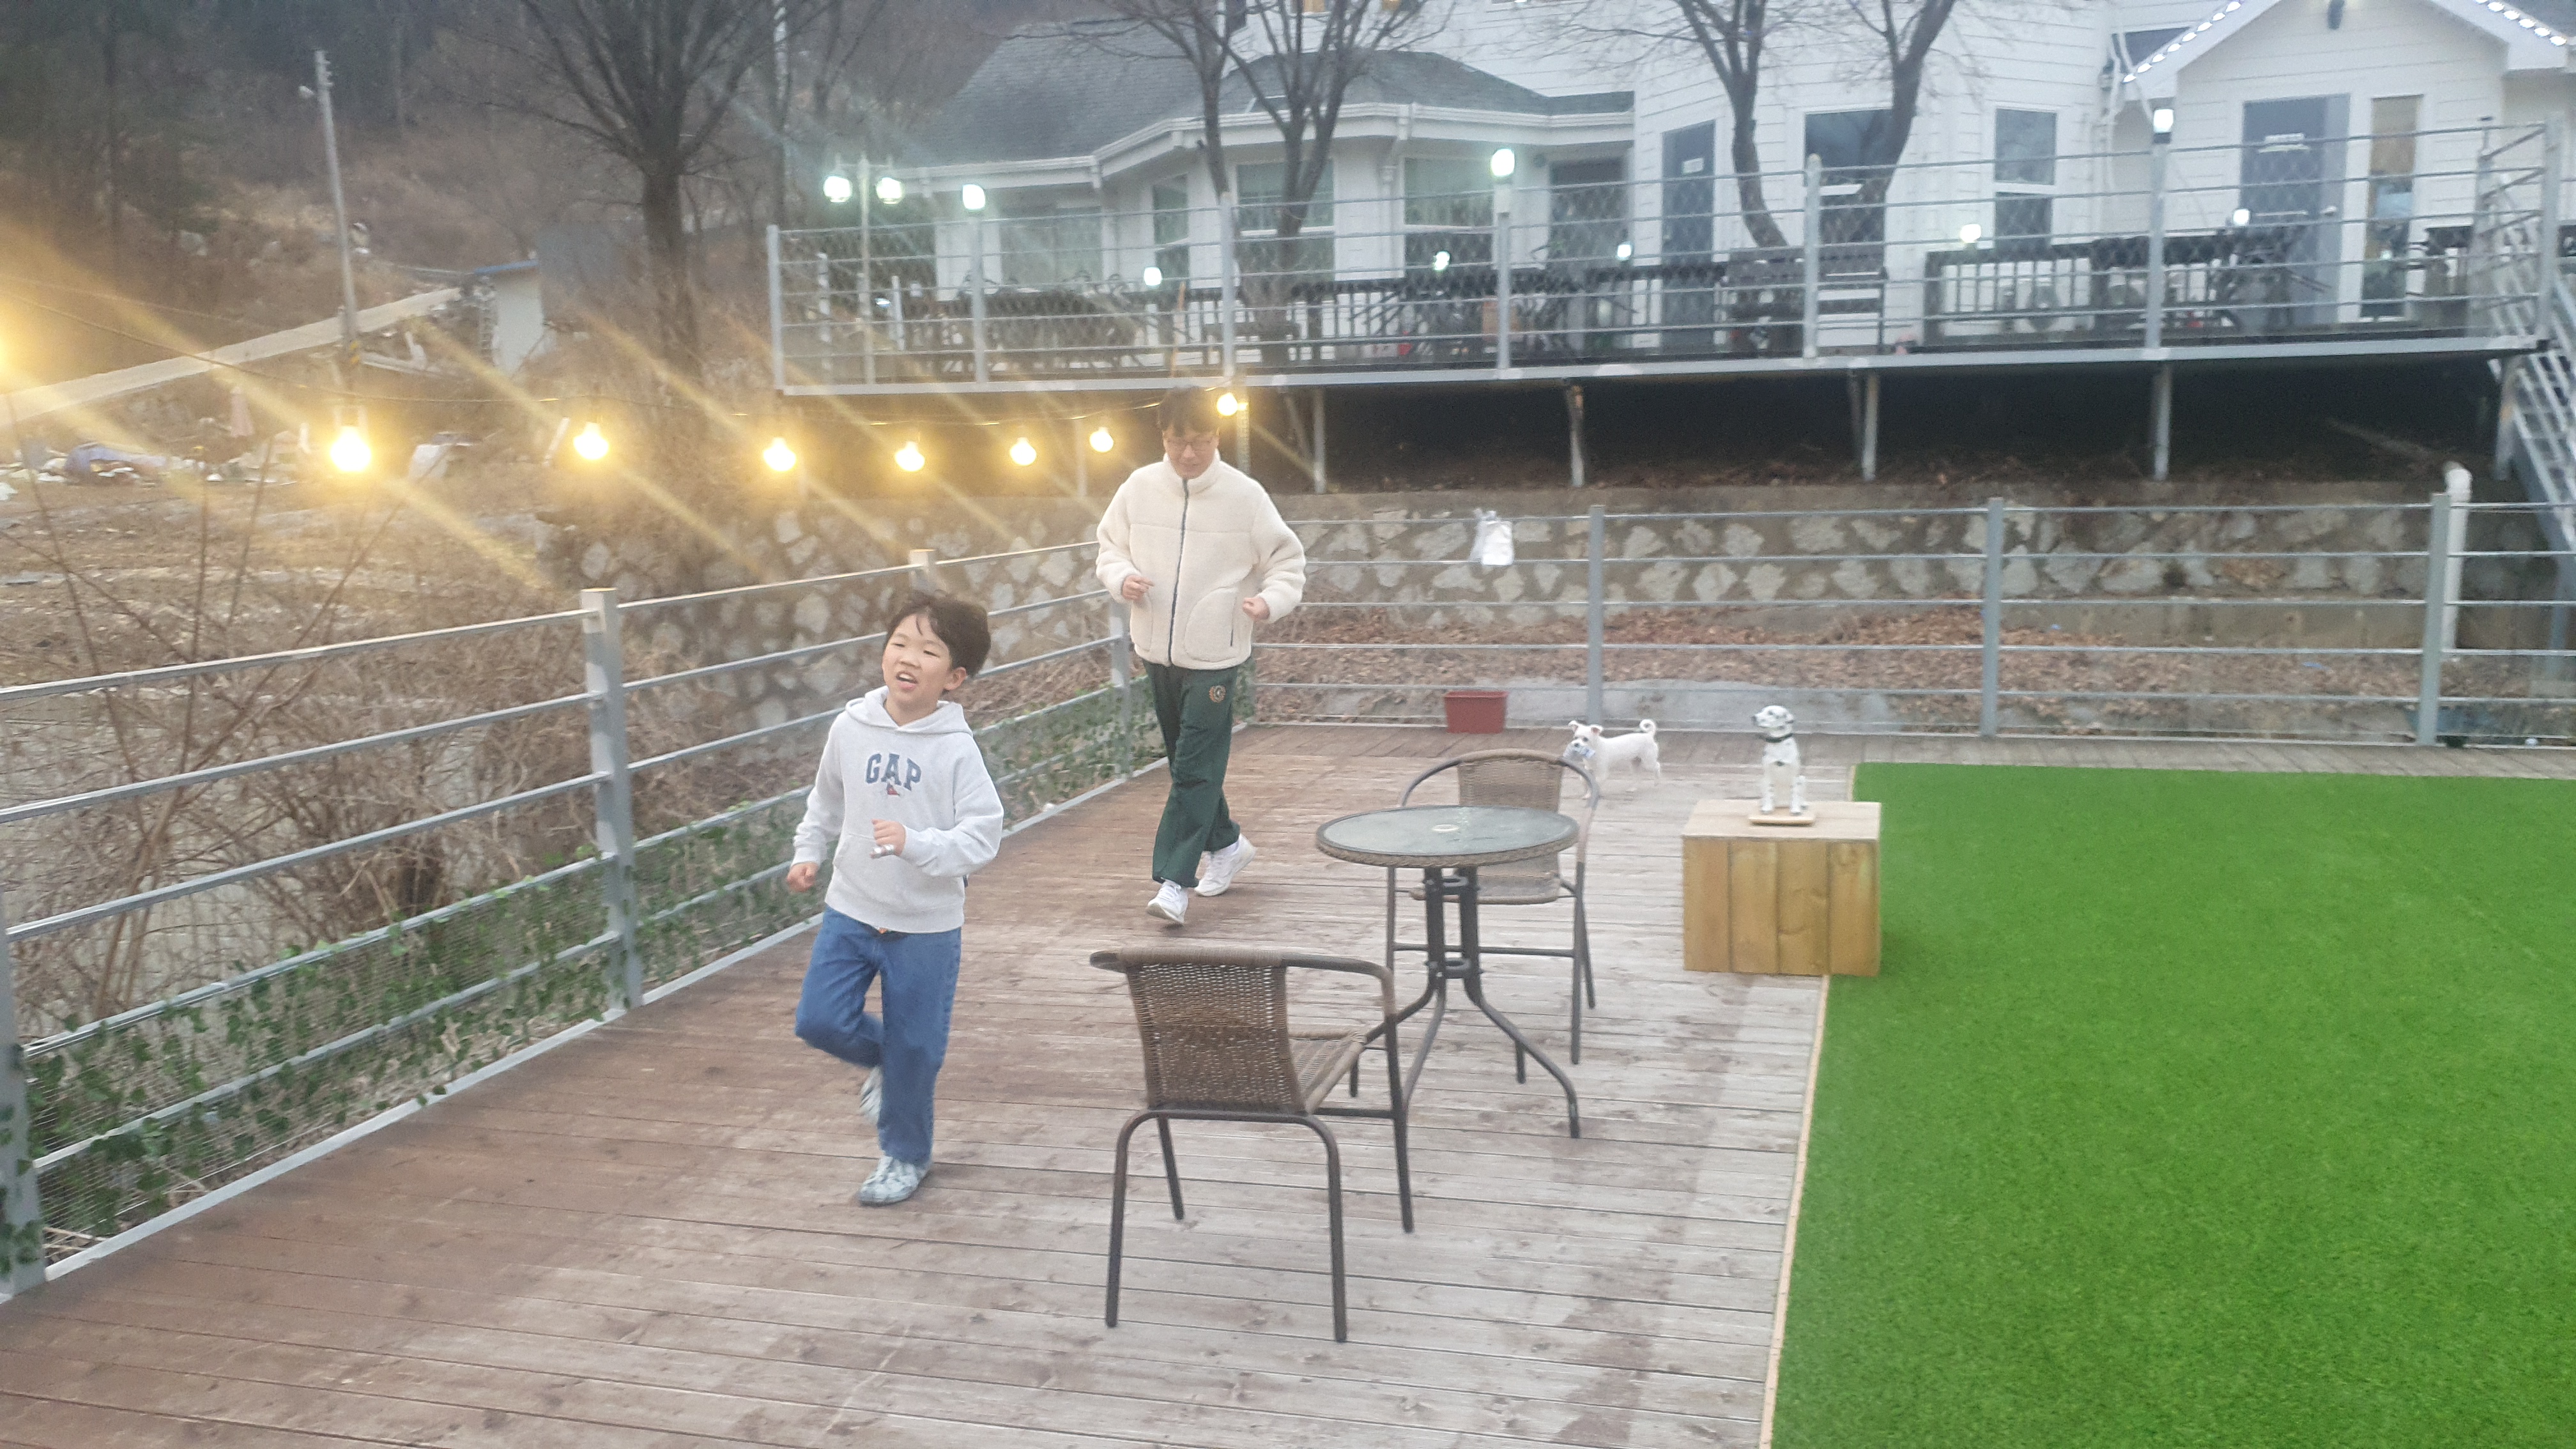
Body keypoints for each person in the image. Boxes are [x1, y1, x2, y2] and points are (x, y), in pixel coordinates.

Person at [786, 591, 1004, 1206]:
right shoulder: (850, 728)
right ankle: (890, 1062)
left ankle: (905, 1156)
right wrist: (808, 852)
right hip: (852, 909)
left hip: (927, 926)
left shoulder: (955, 748)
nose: (908, 658)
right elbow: (826, 800)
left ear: (954, 677)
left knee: (919, 1045)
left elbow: (983, 835)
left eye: (929, 651)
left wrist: (917, 844)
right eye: (900, 644)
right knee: (820, 1021)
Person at [1094, 385, 1307, 926]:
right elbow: (1109, 548)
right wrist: (1123, 578)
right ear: (1162, 437)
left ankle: (1173, 883)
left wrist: (1270, 601)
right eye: (1177, 441)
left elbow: (1288, 561)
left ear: (1218, 437)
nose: (1189, 453)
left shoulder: (1246, 496)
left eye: (1201, 441)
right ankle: (1228, 845)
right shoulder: (1139, 488)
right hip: (1155, 649)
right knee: (1187, 764)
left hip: (1217, 653)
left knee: (1193, 767)